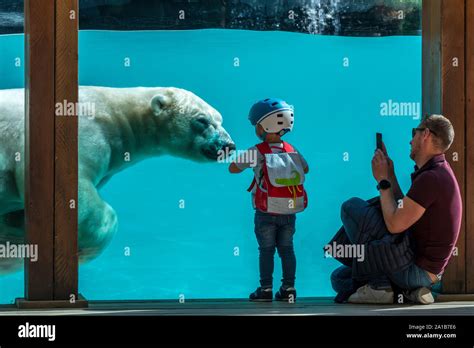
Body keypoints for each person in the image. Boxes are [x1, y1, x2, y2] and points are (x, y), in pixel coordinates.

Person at [331, 114, 462, 305]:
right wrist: (390, 174)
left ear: (425, 134)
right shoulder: (437, 171)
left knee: (351, 207)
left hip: (414, 271)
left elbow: (394, 225)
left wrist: (382, 181)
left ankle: (380, 286)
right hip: (426, 273)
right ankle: (404, 291)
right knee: (339, 277)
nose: (410, 140)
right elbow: (405, 209)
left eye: (414, 133)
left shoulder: (431, 178)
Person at [229, 98, 309, 302]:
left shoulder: (257, 151)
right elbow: (306, 168)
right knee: (287, 249)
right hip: (289, 211)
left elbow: (233, 168)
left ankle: (265, 289)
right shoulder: (292, 149)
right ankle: (289, 288)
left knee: (266, 250)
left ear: (264, 126)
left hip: (265, 211)